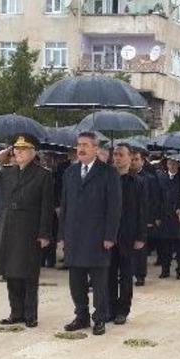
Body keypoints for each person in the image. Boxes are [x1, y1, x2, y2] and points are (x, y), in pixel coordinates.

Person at [0, 135, 55, 328]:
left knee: (28, 273)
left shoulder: (43, 174)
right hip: (8, 226)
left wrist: (45, 233)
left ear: (32, 152)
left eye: (23, 149)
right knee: (11, 272)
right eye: (16, 149)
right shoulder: (7, 171)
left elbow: (47, 206)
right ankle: (16, 312)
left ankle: (30, 314)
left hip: (29, 228)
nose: (18, 152)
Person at [59, 132, 122, 336]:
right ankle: (81, 316)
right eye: (79, 145)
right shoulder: (70, 172)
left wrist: (110, 236)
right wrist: (62, 235)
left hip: (98, 238)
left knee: (99, 284)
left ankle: (100, 318)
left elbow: (114, 208)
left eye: (85, 145)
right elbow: (65, 206)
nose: (81, 148)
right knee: (76, 282)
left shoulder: (108, 173)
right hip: (74, 237)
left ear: (96, 149)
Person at [108, 143, 147, 325]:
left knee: (125, 275)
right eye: (115, 154)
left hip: (128, 235)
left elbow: (142, 211)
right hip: (109, 235)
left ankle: (122, 310)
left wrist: (141, 237)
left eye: (121, 154)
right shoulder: (107, 178)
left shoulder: (138, 182)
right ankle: (109, 308)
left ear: (130, 158)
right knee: (108, 274)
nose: (117, 158)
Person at [132, 145, 160, 286]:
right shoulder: (125, 177)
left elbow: (154, 200)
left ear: (143, 161)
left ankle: (140, 275)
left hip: (143, 218)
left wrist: (151, 219)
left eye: (137, 159)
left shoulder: (149, 179)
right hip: (128, 217)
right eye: (132, 159)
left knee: (141, 249)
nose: (134, 162)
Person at [156, 158, 180, 280]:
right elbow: (158, 198)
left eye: (175, 163)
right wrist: (158, 216)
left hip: (179, 218)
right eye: (170, 163)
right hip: (165, 217)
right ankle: (165, 270)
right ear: (167, 164)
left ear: (179, 164)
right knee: (165, 246)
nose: (172, 166)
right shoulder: (161, 179)